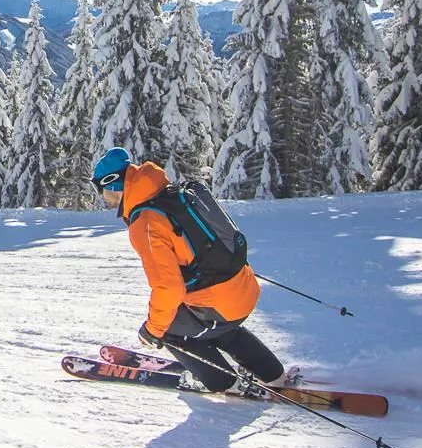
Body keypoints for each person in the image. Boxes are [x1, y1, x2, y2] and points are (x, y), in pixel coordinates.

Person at [92, 146, 288, 394]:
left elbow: (168, 287)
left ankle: (224, 383)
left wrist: (153, 331)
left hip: (219, 302)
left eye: (99, 189)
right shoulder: (171, 196)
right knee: (213, 326)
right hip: (242, 290)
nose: (101, 197)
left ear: (112, 185)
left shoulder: (147, 221)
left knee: (170, 329)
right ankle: (274, 375)